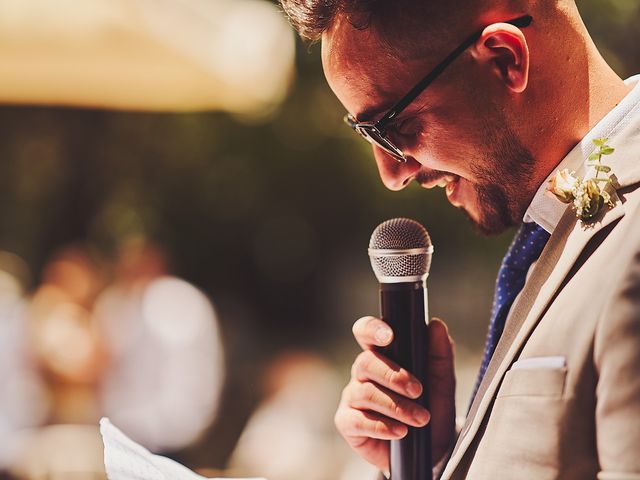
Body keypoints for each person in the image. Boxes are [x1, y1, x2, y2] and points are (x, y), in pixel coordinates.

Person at [279, 0, 640, 478]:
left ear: (504, 60)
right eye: (364, 132)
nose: (391, 175)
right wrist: (436, 462)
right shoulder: (552, 232)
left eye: (394, 127)